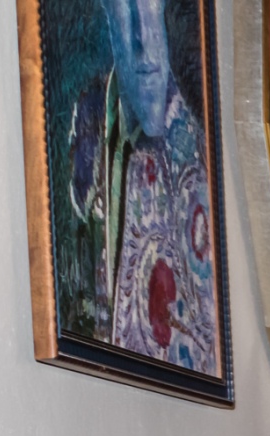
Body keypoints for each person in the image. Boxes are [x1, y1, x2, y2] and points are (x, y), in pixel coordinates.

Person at [64, 0, 221, 373]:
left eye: (151, 3)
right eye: (125, 5)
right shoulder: (89, 120)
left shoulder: (198, 154)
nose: (142, 38)